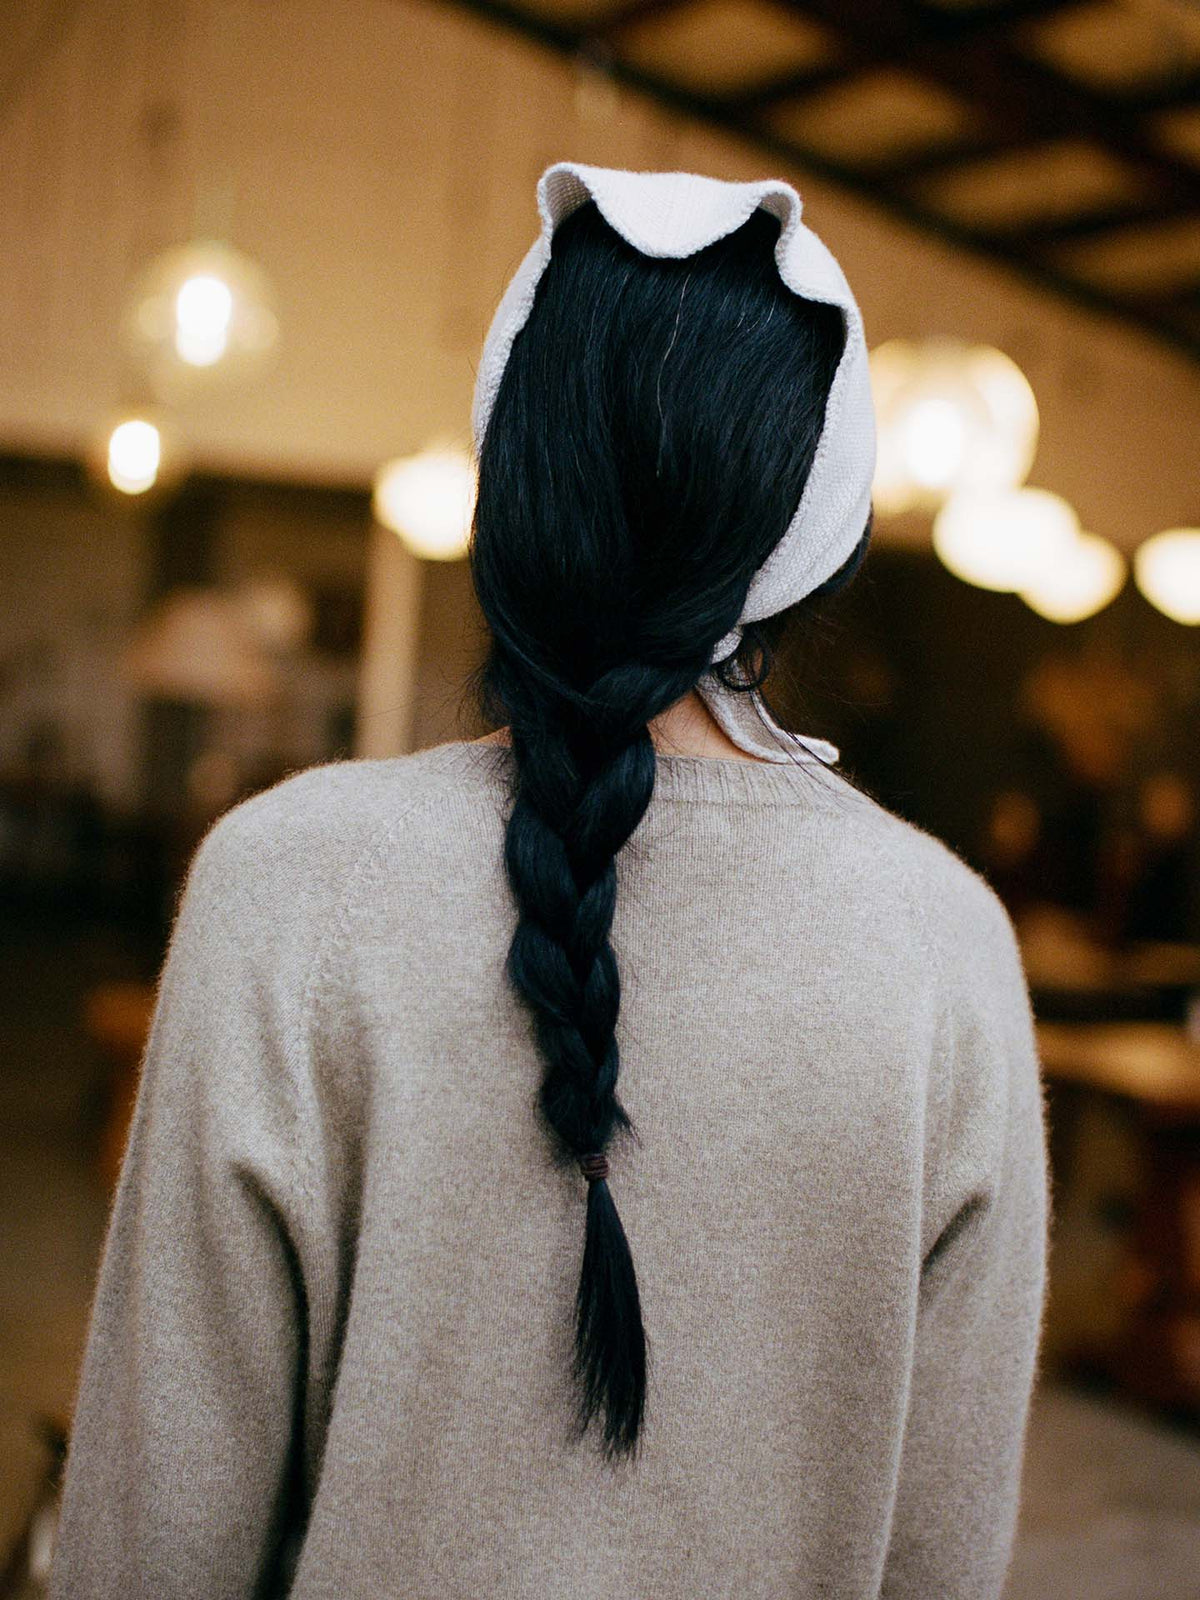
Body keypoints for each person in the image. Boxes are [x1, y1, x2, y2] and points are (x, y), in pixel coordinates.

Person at [49, 163, 1051, 1599]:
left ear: (508, 482)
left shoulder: (287, 885)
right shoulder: (946, 943)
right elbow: (944, 1560)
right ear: (819, 536)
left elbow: (156, 1532)